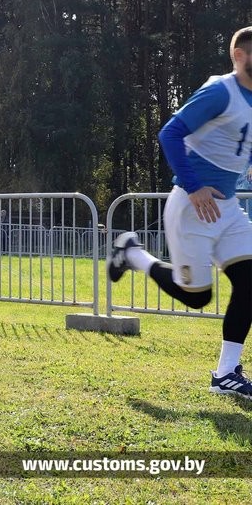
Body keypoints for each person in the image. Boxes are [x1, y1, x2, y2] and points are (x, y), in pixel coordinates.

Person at [108, 26, 252, 399]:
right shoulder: (221, 90)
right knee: (197, 297)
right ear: (239, 56)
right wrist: (194, 185)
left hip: (229, 208)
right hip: (193, 207)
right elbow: (170, 133)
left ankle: (226, 374)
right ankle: (132, 254)